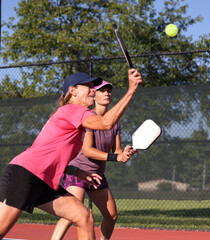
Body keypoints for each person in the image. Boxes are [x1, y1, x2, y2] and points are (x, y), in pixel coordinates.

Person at [0, 69, 142, 240]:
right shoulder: (72, 109)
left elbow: (56, 159)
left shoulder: (76, 120)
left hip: (43, 182)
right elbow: (106, 123)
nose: (93, 90)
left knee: (84, 216)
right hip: (24, 175)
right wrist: (131, 90)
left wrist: (79, 172)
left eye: (93, 86)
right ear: (72, 91)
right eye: (88, 86)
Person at [51, 80, 136, 240]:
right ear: (94, 96)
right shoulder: (88, 118)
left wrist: (126, 152)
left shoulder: (115, 123)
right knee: (72, 215)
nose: (107, 93)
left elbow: (116, 151)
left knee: (111, 216)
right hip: (77, 172)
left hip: (97, 174)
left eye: (109, 91)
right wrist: (115, 157)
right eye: (102, 90)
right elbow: (88, 150)